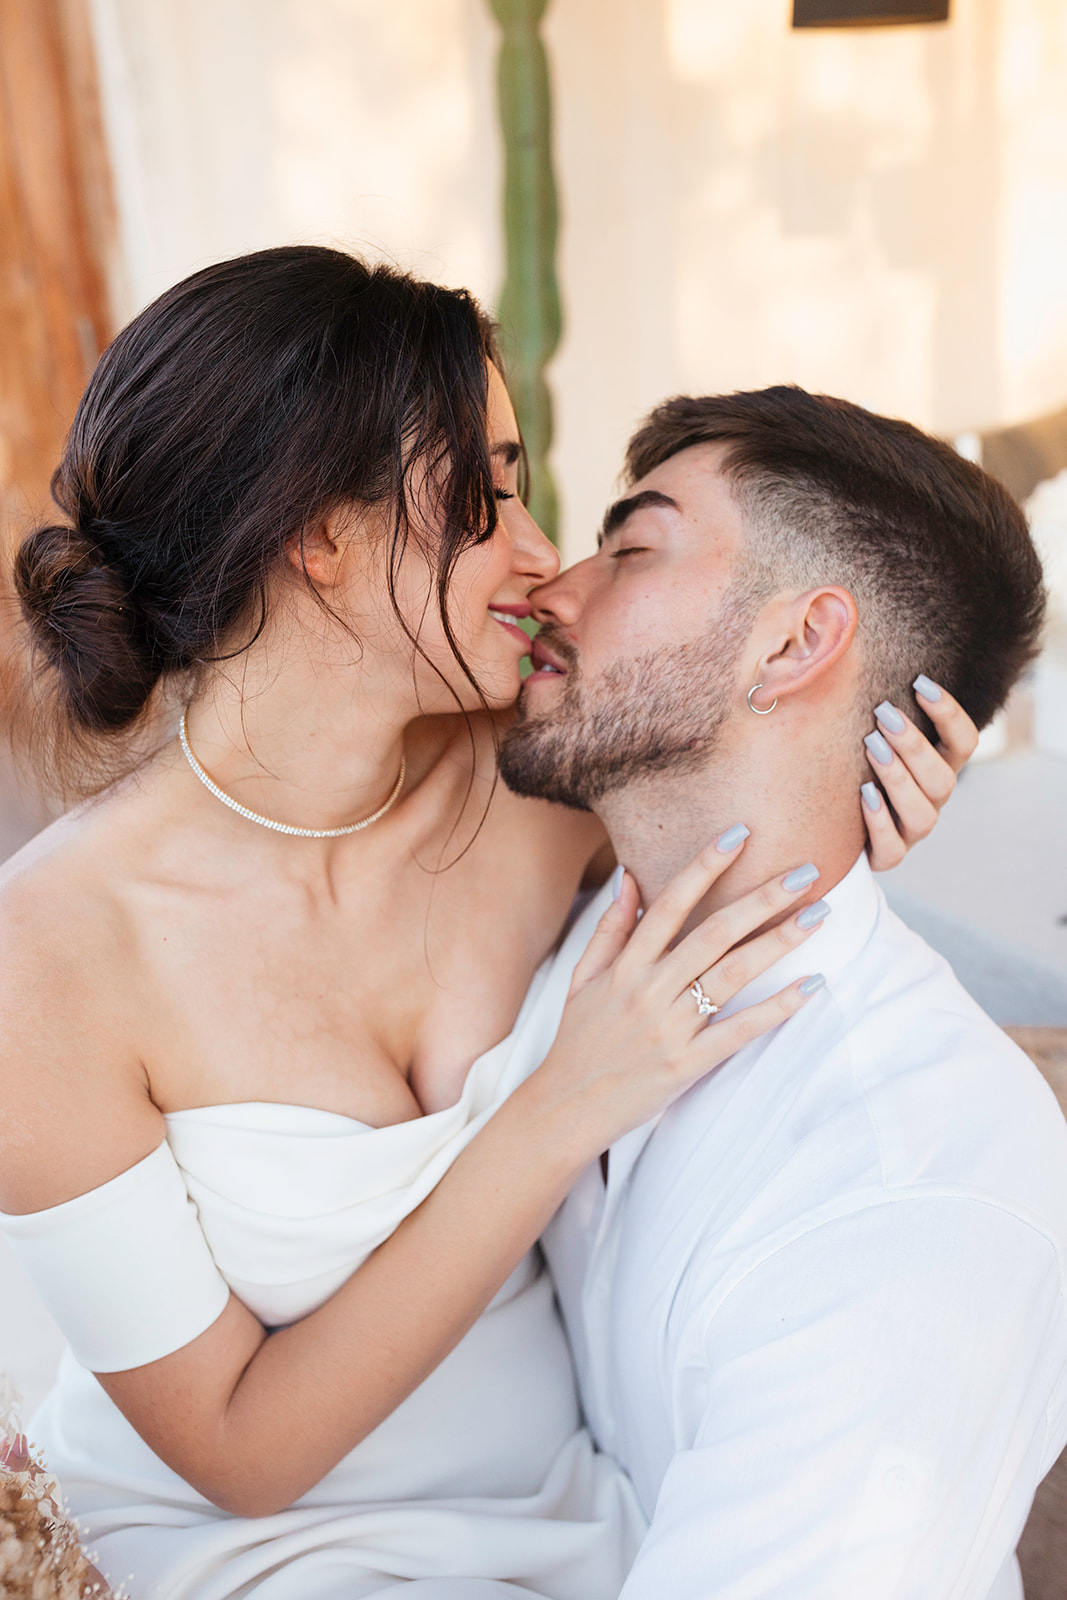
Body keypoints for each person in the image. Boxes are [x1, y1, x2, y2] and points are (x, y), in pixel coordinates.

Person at [0, 248, 972, 1600]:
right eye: (482, 494)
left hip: (569, 1509)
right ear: (315, 536)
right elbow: (235, 1452)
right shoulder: (52, 953)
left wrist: (866, 796)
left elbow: (749, 778)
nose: (538, 555)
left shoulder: (535, 778)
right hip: (252, 1552)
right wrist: (560, 1103)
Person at [495, 385, 1067, 1600]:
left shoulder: (910, 1193)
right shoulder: (591, 923)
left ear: (795, 643)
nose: (552, 588)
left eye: (630, 548)